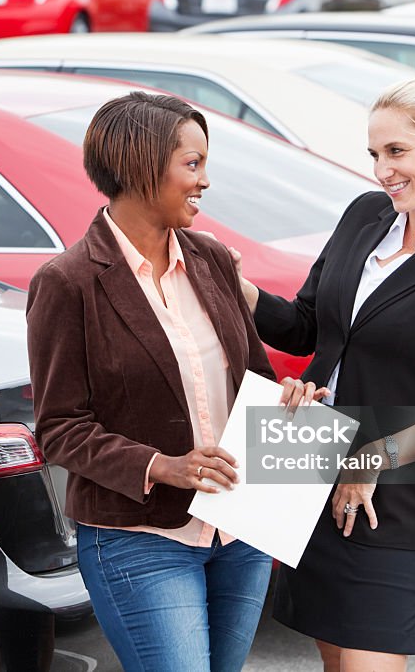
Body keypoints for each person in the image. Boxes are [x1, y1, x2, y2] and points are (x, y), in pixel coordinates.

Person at [230, 76, 415, 671]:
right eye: (374, 154)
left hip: (392, 500)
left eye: (396, 153)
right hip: (306, 469)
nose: (381, 171)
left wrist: (370, 461)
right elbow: (309, 326)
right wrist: (233, 286)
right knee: (332, 660)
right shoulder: (367, 216)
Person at [26, 92, 300, 672]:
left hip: (240, 529)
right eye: (192, 164)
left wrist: (288, 400)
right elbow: (59, 429)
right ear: (139, 165)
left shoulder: (213, 261)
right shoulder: (68, 283)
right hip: (139, 536)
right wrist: (162, 465)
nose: (204, 182)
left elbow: (254, 375)